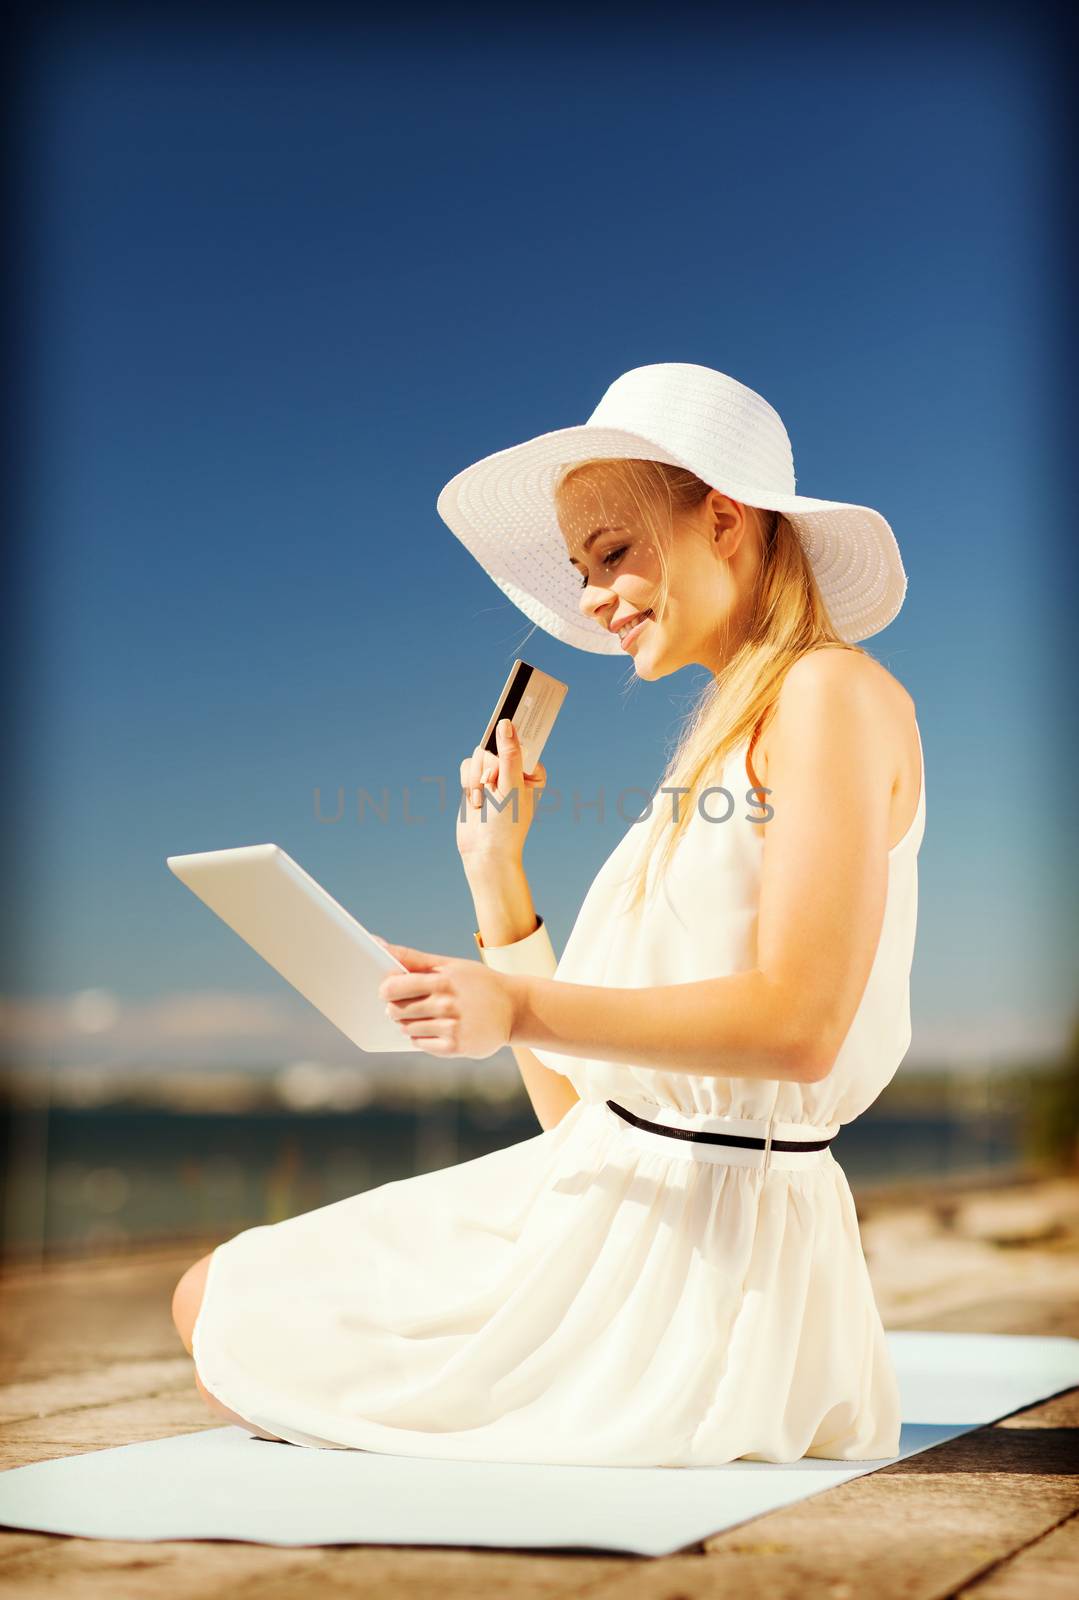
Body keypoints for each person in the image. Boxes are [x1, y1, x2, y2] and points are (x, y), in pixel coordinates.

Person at [172, 362, 924, 1465]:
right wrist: (496, 876)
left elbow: (799, 1025)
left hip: (695, 1272)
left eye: (611, 551)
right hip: (616, 1213)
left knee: (225, 1312)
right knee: (216, 1297)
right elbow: (589, 1120)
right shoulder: (731, 733)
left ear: (723, 519)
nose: (589, 598)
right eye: (580, 569)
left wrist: (515, 1004)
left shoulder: (830, 695)